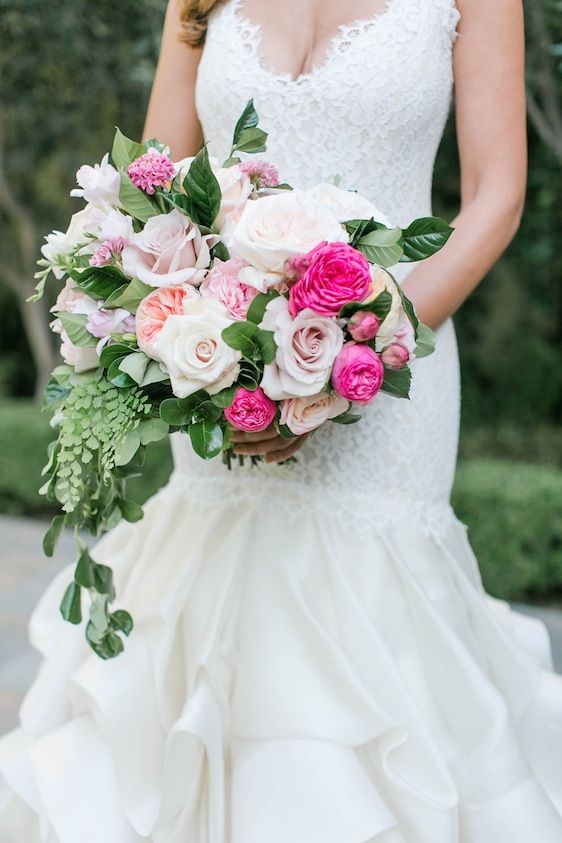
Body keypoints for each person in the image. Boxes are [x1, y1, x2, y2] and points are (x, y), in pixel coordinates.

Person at [1, 1, 561, 840]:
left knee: (369, 654)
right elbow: (153, 186)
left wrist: (350, 365)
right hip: (222, 384)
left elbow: (494, 198)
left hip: (389, 386)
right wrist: (183, 338)